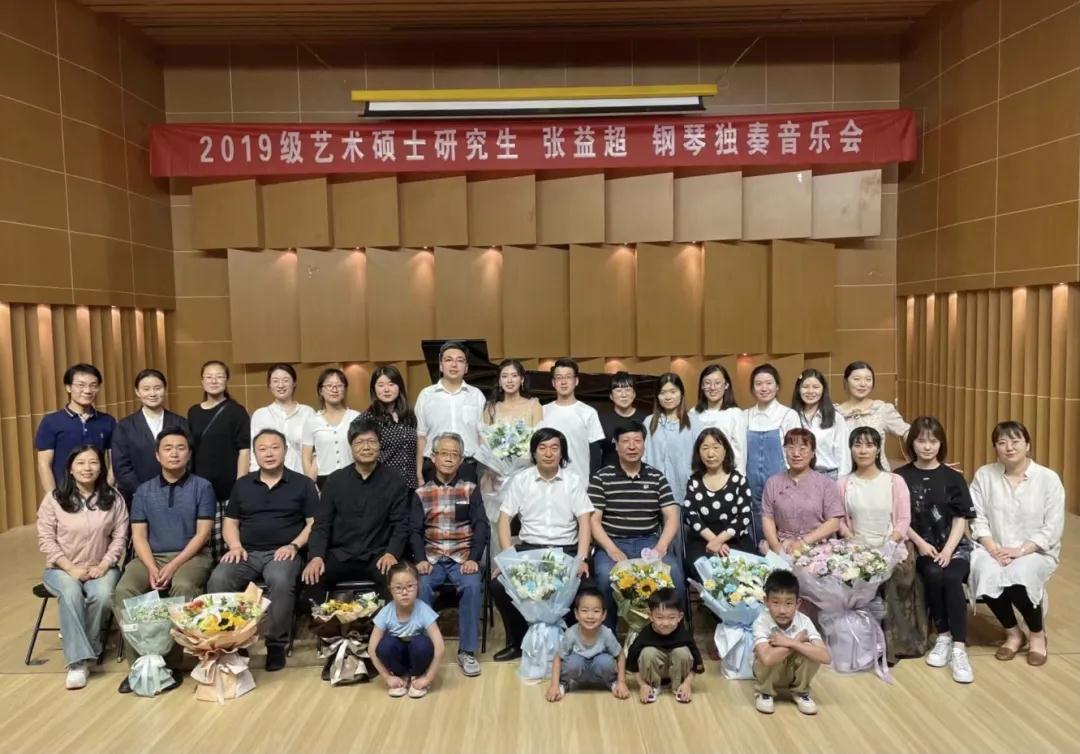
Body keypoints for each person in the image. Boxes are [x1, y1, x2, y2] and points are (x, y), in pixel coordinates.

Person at [206, 429, 318, 672]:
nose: (269, 453)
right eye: (263, 449)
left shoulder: (303, 484)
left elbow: (313, 524)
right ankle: (232, 642)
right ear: (255, 454)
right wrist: (235, 545)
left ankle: (276, 645)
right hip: (245, 552)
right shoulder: (243, 484)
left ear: (285, 451)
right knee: (219, 578)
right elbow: (230, 523)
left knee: (280, 579)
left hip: (283, 552)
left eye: (275, 447)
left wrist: (294, 545)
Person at [113, 428, 214, 694]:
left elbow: (202, 535)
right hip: (151, 557)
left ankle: (169, 665)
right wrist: (151, 567)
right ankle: (139, 665)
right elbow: (139, 536)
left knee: (182, 586)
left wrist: (172, 565)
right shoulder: (143, 491)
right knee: (125, 590)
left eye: (181, 448)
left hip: (191, 556)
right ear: (157, 455)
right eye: (168, 448)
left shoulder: (202, 487)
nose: (174, 453)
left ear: (189, 454)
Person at [491, 428, 593, 662]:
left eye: (554, 448)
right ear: (534, 452)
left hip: (565, 550)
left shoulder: (573, 481)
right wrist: (508, 559)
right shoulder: (522, 480)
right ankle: (516, 642)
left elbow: (584, 521)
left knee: (585, 586)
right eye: (542, 448)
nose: (548, 453)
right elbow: (504, 519)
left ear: (562, 453)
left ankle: (571, 644)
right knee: (498, 585)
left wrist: (581, 559)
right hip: (529, 550)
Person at [969, 421, 1065, 667]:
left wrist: (1020, 551)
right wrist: (993, 549)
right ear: (995, 448)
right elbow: (977, 517)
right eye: (1002, 443)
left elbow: (1052, 527)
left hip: (1035, 551)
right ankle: (1013, 633)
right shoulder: (984, 475)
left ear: (1027, 445)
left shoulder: (1048, 479)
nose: (1009, 447)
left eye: (1015, 441)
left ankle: (1037, 635)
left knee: (1020, 574)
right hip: (992, 548)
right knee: (983, 571)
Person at [36, 445, 128, 690]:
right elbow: (46, 539)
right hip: (60, 568)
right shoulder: (54, 499)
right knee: (71, 592)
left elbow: (120, 537)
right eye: (80, 463)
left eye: (93, 462)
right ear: (70, 468)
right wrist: (70, 568)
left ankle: (91, 651)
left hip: (102, 566)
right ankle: (78, 663)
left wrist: (105, 564)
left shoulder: (114, 498)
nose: (87, 468)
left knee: (103, 594)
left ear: (101, 468)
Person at [896, 416, 977, 683]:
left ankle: (959, 648)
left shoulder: (953, 477)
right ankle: (943, 635)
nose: (927, 446)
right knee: (932, 573)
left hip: (954, 545)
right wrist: (921, 544)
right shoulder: (901, 477)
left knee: (952, 576)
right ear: (912, 443)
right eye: (921, 441)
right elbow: (899, 518)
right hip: (921, 545)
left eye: (933, 441)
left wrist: (949, 550)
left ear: (941, 443)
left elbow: (961, 518)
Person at [838, 426, 927, 664]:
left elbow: (903, 520)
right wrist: (853, 542)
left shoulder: (894, 481)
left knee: (890, 576)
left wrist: (889, 544)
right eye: (857, 445)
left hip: (892, 547)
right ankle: (860, 644)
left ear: (878, 449)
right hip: (857, 548)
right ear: (850, 449)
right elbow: (840, 521)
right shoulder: (845, 483)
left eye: (869, 445)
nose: (863, 450)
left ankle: (891, 647)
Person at [301, 417, 411, 604]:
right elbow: (321, 525)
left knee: (397, 579)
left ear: (380, 445)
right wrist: (316, 556)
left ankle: (383, 623)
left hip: (378, 555)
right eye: (359, 442)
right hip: (341, 555)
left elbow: (401, 524)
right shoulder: (335, 481)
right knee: (312, 578)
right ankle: (324, 622)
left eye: (371, 441)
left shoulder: (395, 480)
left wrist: (391, 553)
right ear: (351, 447)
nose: (366, 447)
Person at [590, 421, 685, 630]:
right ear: (616, 445)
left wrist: (661, 547)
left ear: (644, 445)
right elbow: (593, 521)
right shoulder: (602, 478)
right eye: (626, 441)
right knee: (605, 577)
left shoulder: (657, 477)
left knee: (674, 573)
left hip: (649, 542)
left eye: (637, 441)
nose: (632, 446)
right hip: (613, 542)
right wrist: (612, 549)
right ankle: (608, 635)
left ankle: (676, 632)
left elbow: (672, 516)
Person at [410, 432, 489, 678]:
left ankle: (467, 651)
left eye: (454, 455)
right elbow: (414, 531)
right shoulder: (421, 493)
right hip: (432, 558)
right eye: (444, 453)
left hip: (462, 557)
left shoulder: (470, 490)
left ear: (461, 460)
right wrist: (420, 560)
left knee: (472, 586)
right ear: (433, 457)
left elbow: (481, 526)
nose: (448, 458)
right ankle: (424, 650)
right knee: (420, 587)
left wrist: (474, 558)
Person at [187, 360, 250, 561]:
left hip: (228, 488)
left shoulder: (236, 411)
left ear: (227, 380)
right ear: (202, 381)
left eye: (219, 376)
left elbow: (244, 450)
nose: (214, 381)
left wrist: (240, 484)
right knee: (202, 540)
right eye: (209, 377)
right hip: (200, 487)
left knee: (226, 540)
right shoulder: (193, 412)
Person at [752, 569, 831, 716]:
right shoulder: (761, 622)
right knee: (770, 652)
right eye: (775, 603)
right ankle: (765, 692)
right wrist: (796, 641)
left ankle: (800, 692)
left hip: (792, 671)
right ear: (766, 601)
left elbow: (825, 657)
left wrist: (791, 643)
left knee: (810, 651)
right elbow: (767, 659)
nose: (782, 610)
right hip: (767, 671)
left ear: (797, 603)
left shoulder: (804, 621)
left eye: (788, 603)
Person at [736, 364, 799, 543]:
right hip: (751, 482)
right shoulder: (745, 416)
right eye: (758, 384)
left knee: (783, 523)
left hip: (782, 482)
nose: (764, 388)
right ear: (752, 388)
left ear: (777, 386)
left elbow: (795, 451)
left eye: (769, 383)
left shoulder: (788, 415)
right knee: (756, 525)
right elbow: (739, 451)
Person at [682, 427, 755, 575]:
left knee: (741, 571)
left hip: (735, 539)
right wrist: (714, 541)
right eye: (705, 448)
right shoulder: (694, 481)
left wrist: (719, 540)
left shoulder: (739, 480)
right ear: (698, 453)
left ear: (725, 450)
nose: (710, 454)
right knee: (704, 570)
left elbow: (745, 516)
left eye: (716, 447)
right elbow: (690, 515)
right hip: (703, 540)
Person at [35, 363, 116, 495]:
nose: (87, 390)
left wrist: (106, 490)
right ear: (68, 387)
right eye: (81, 385)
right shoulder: (51, 422)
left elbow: (115, 461)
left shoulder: (108, 421)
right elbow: (44, 464)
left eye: (93, 385)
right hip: (63, 495)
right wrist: (53, 498)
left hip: (99, 495)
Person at [112, 368, 188, 507]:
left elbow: (189, 460)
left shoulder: (180, 423)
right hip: (137, 497)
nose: (152, 393)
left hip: (177, 495)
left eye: (157, 388)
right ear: (137, 392)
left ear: (165, 389)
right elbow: (121, 467)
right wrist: (143, 492)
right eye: (146, 389)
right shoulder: (125, 426)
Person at [760, 429, 844, 556]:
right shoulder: (773, 482)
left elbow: (834, 523)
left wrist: (803, 543)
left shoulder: (826, 483)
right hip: (784, 546)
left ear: (813, 453)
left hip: (818, 547)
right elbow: (767, 518)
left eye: (803, 448)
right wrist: (777, 548)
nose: (796, 453)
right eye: (790, 448)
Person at [369, 562, 445, 699]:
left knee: (421, 643)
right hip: (398, 658)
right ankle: (400, 675)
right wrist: (387, 677)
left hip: (419, 657)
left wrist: (428, 678)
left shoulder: (423, 610)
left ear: (418, 586)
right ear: (390, 589)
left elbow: (440, 647)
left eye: (410, 586)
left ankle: (418, 675)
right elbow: (371, 649)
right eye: (398, 588)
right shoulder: (386, 612)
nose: (404, 592)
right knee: (385, 645)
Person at [414, 342, 486, 485]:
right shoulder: (426, 395)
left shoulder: (476, 395)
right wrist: (419, 473)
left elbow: (482, 436)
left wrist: (484, 471)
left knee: (467, 501)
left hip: (468, 466)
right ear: (441, 366)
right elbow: (421, 436)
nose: (454, 365)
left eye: (460, 360)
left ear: (466, 367)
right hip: (433, 466)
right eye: (448, 360)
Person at [545, 587, 630, 702]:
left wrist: (621, 682)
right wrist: (553, 685)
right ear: (576, 614)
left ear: (604, 615)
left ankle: (613, 683)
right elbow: (557, 657)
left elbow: (620, 655)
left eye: (596, 611)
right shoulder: (571, 633)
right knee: (574, 662)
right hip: (578, 671)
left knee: (605, 661)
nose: (590, 616)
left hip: (600, 671)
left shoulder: (606, 634)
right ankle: (563, 684)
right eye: (584, 610)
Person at [626, 588, 703, 704]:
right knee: (648, 652)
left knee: (682, 652)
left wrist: (687, 683)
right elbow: (631, 663)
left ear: (680, 617)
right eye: (659, 617)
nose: (666, 623)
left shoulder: (684, 635)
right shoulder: (645, 635)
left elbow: (697, 664)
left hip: (678, 674)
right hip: (654, 674)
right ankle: (653, 687)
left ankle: (678, 687)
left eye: (671, 618)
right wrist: (642, 685)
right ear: (650, 616)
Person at [541, 358, 605, 494]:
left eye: (568, 377)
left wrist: (592, 482)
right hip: (547, 485)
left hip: (580, 484)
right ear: (553, 383)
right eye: (559, 378)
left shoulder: (588, 412)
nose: (563, 382)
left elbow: (596, 452)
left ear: (576, 381)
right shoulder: (542, 411)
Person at [837, 361, 910, 471]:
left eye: (868, 379)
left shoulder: (882, 409)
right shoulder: (836, 413)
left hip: (879, 473)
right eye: (856, 379)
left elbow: (906, 432)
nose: (863, 384)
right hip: (846, 473)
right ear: (846, 381)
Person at [644, 372, 702, 507]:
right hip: (654, 491)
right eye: (662, 393)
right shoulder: (649, 422)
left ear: (681, 393)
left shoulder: (694, 422)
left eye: (673, 391)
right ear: (657, 396)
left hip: (687, 491)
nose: (668, 397)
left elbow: (700, 458)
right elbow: (643, 457)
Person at [359, 365, 419, 490]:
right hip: (382, 487)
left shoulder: (410, 415)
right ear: (374, 389)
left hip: (411, 485)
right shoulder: (366, 419)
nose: (386, 389)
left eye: (391, 384)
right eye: (381, 385)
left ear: (399, 387)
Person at [249, 364, 314, 474]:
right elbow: (254, 452)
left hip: (301, 476)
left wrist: (311, 479)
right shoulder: (260, 415)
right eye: (275, 381)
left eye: (285, 380)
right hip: (268, 478)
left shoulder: (308, 412)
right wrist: (255, 478)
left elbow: (315, 452)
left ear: (294, 383)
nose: (281, 385)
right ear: (269, 385)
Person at [301, 368, 360, 488]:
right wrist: (311, 484)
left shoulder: (356, 417)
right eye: (329, 386)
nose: (334, 389)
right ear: (320, 391)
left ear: (345, 389)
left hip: (353, 477)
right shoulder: (312, 421)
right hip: (323, 479)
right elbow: (306, 456)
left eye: (339, 385)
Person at [791, 369, 850, 480]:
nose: (810, 391)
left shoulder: (835, 417)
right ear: (798, 389)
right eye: (805, 387)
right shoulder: (791, 416)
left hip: (829, 477)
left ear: (823, 390)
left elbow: (844, 454)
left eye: (816, 387)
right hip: (798, 476)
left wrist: (842, 481)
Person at [688, 364, 743, 474]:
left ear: (726, 385)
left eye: (717, 383)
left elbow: (740, 453)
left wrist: (738, 478)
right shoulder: (693, 413)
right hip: (699, 475)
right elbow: (690, 450)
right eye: (707, 383)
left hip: (727, 475)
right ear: (702, 386)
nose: (712, 388)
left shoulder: (735, 414)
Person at [597, 372, 650, 470]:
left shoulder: (646, 418)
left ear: (634, 394)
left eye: (628, 390)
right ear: (611, 396)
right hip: (609, 474)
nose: (624, 395)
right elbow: (596, 452)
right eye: (619, 390)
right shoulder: (601, 419)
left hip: (640, 473)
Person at [483, 358, 543, 428]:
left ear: (522, 379)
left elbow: (540, 434)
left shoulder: (534, 406)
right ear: (499, 381)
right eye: (504, 376)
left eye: (514, 375)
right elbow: (484, 434)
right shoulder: (491, 408)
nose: (509, 380)